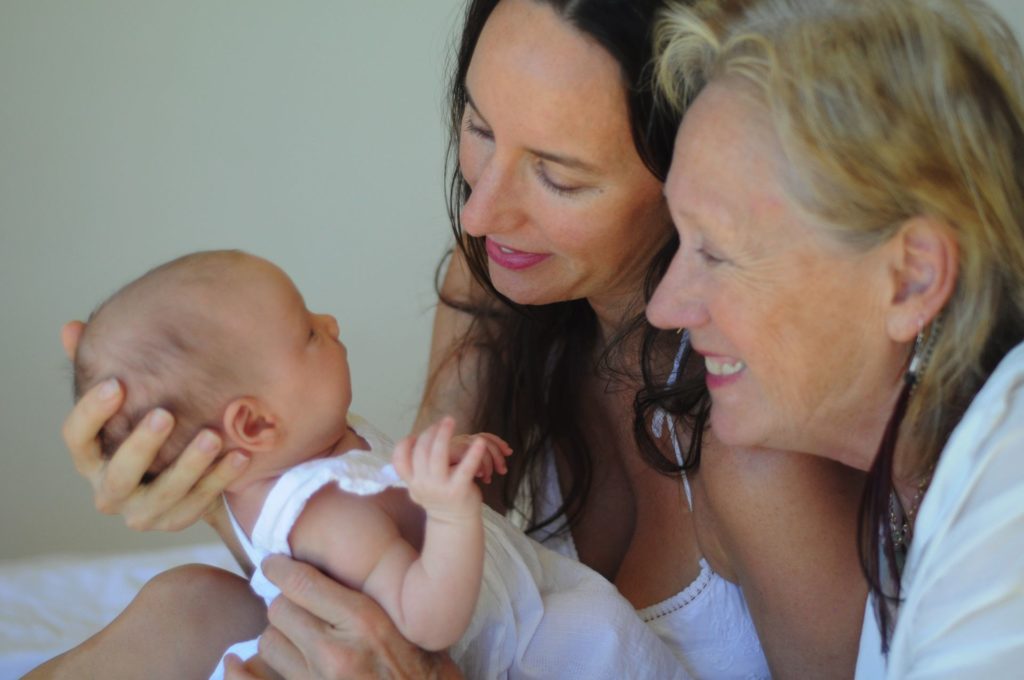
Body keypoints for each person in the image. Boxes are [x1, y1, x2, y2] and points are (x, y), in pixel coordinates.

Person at [37, 0, 867, 678]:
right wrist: (210, 471)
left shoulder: (757, 452)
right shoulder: (494, 295)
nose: (477, 215)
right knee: (190, 606)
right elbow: (381, 546)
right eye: (479, 127)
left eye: (557, 175)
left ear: (696, 168)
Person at [70, 249, 689, 679]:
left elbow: (390, 486)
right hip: (530, 653)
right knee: (602, 635)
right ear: (254, 425)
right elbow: (427, 621)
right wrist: (450, 512)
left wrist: (430, 465)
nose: (330, 322)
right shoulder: (331, 518)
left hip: (518, 608)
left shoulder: (296, 456)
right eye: (308, 333)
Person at [648, 0, 1024, 677]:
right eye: (680, 239)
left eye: (718, 252)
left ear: (911, 279)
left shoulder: (1010, 500)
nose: (664, 307)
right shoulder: (911, 494)